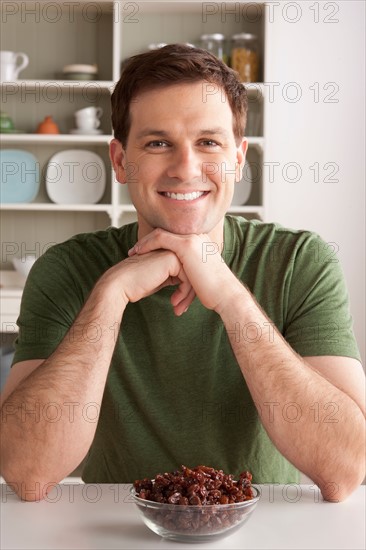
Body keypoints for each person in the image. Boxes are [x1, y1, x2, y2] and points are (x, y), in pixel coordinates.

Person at [1, 45, 364, 502]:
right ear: (119, 160)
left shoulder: (301, 262)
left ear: (237, 157)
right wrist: (110, 294)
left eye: (208, 142)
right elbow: (27, 473)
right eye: (157, 143)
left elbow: (345, 470)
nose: (185, 168)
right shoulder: (67, 269)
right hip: (111, 530)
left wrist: (231, 298)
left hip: (266, 531)